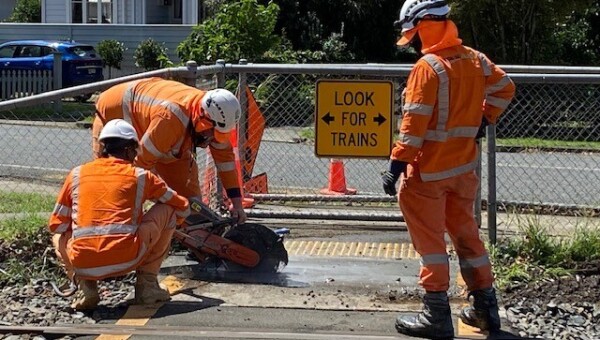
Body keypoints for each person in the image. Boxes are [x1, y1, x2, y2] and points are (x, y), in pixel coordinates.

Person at [382, 0, 516, 338]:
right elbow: (505, 88)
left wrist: (396, 167)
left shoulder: (428, 68)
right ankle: (486, 310)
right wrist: (485, 118)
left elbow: (412, 128)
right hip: (463, 170)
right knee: (468, 237)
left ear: (424, 24)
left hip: (427, 173)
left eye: (412, 32)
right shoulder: (474, 58)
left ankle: (436, 314)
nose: (411, 39)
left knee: (431, 245)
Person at [49, 119, 191, 310]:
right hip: (128, 258)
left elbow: (56, 224)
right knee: (168, 210)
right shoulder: (141, 175)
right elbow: (181, 205)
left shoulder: (77, 173)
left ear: (103, 147)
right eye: (135, 150)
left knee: (58, 236)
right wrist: (174, 225)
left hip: (84, 262)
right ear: (129, 150)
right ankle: (147, 287)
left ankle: (86, 285)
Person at [93, 78, 247, 225]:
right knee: (117, 183)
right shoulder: (170, 117)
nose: (212, 139)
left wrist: (237, 203)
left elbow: (225, 162)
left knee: (192, 205)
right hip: (113, 116)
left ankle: (191, 236)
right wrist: (167, 198)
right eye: (211, 133)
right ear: (202, 119)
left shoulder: (213, 120)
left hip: (157, 130)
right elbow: (140, 166)